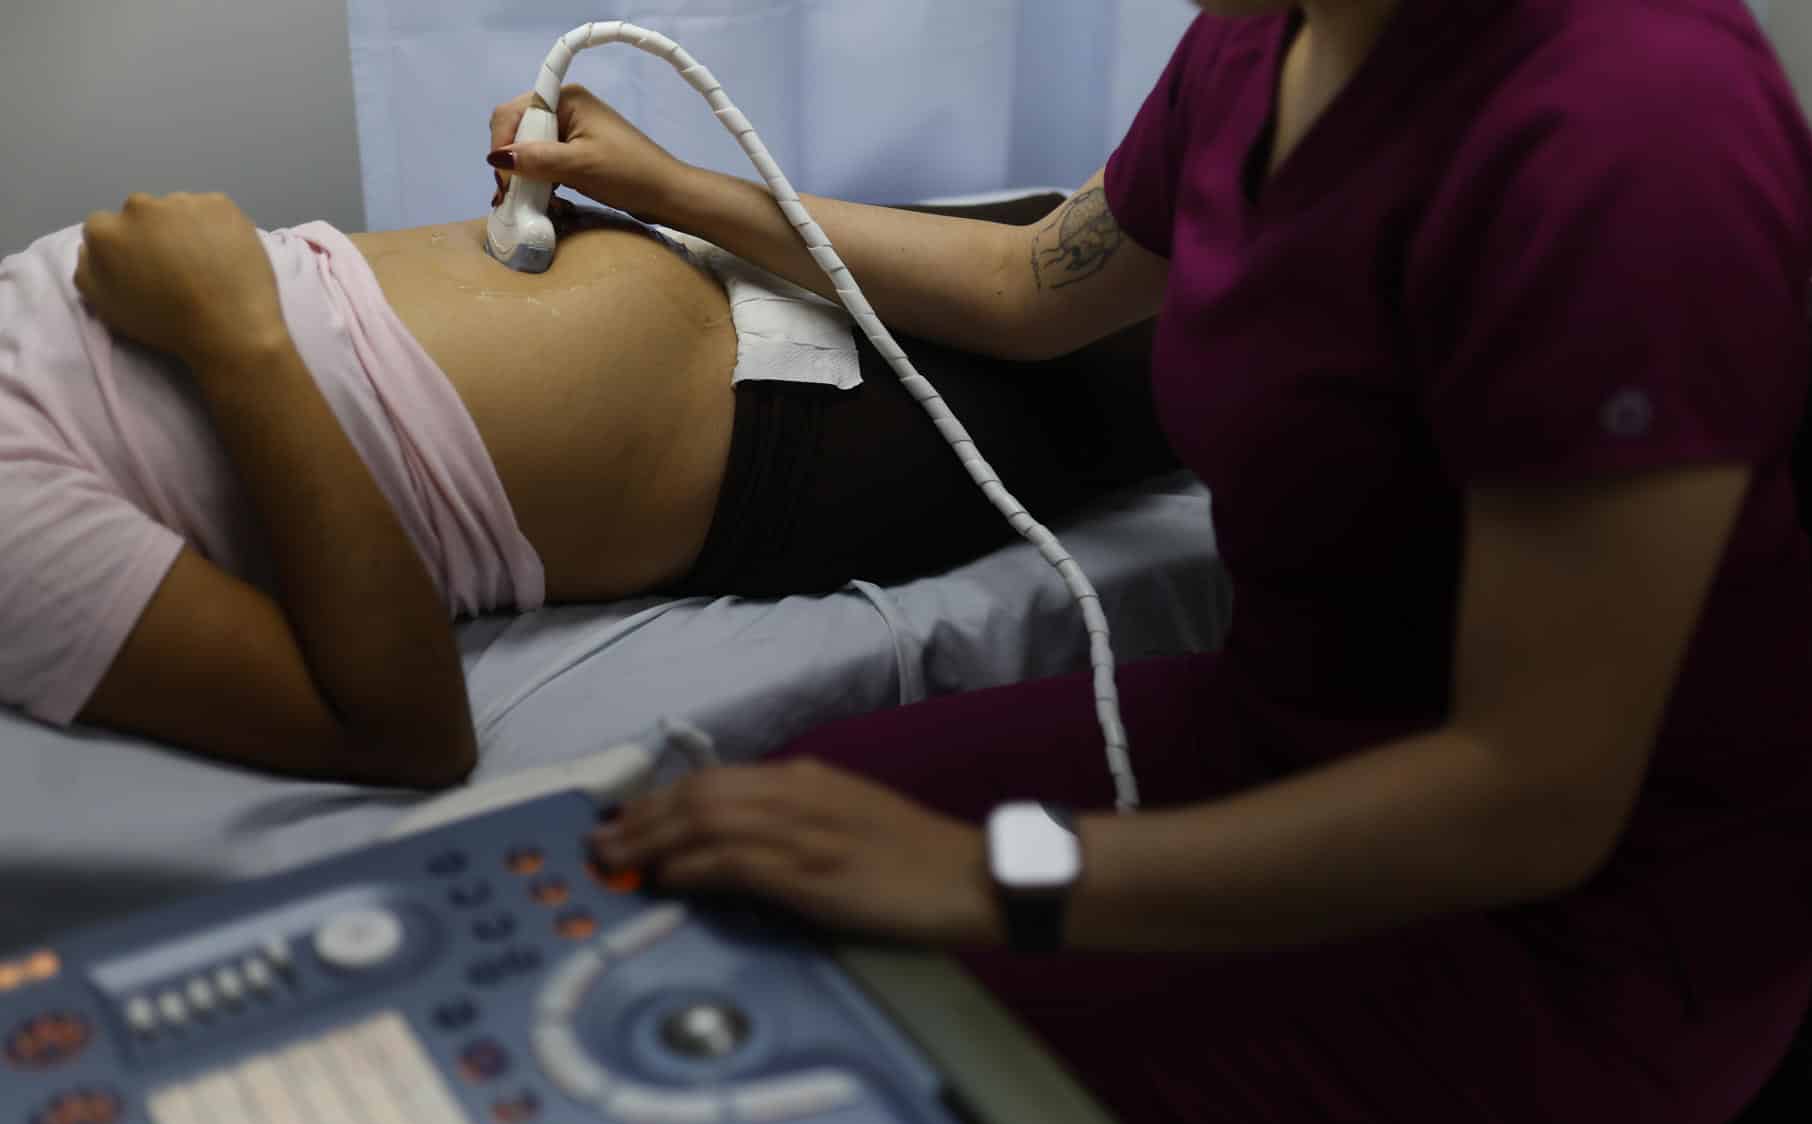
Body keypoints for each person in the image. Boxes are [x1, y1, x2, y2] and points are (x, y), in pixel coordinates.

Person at [564, 0, 1812, 1124]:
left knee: (879, 1045)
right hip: (1281, 734)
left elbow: (1533, 794)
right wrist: (676, 190)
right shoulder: (1276, 32)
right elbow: (1028, 284)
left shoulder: (1633, 135)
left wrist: (992, 874)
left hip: (1560, 949)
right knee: (769, 831)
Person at [0, 190, 1173, 786]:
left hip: (746, 257)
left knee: (1170, 215)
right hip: (781, 431)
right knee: (1263, 299)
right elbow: (400, 731)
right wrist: (234, 331)